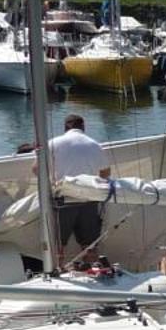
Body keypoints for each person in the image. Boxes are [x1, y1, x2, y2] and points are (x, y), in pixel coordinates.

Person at [47, 113, 113, 269]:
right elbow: (105, 173)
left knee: (59, 243)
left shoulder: (53, 143)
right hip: (89, 199)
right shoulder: (94, 144)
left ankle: (58, 271)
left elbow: (36, 169)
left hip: (64, 198)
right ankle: (94, 271)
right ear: (83, 127)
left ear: (65, 128)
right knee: (90, 243)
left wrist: (53, 180)